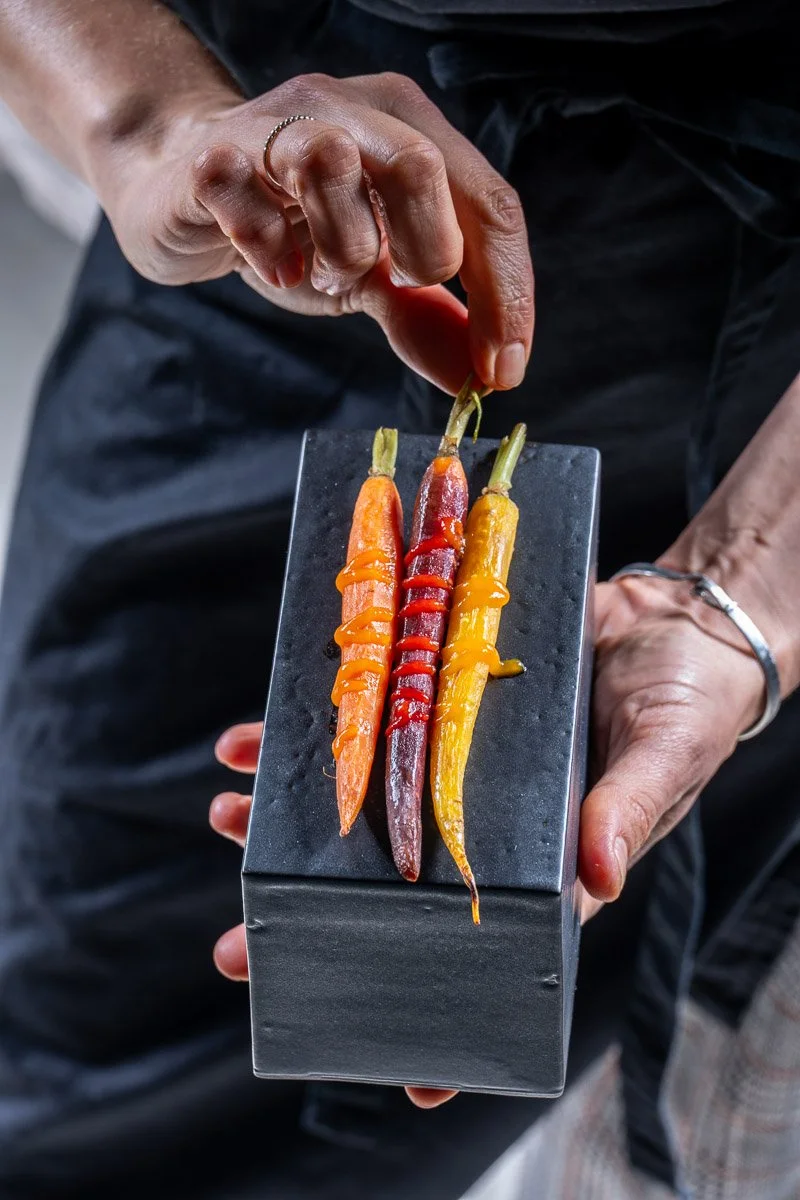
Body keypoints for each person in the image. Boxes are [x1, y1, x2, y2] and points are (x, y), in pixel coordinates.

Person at [0, 1, 799, 1197]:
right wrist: (154, 120)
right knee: (76, 1056)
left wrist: (739, 592)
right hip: (260, 230)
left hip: (752, 402)